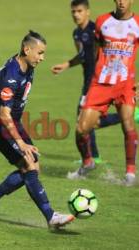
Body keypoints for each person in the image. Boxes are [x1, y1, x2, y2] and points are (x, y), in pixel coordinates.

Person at [0, 30, 75, 229]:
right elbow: (4, 115)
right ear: (26, 49)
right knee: (29, 166)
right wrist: (21, 142)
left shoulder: (26, 65)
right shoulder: (11, 76)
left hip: (14, 123)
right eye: (39, 53)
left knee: (33, 167)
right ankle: (51, 216)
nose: (42, 58)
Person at [68, 0, 138, 186]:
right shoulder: (102, 21)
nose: (122, 1)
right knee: (81, 128)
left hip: (125, 84)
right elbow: (95, 51)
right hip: (101, 83)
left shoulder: (137, 23)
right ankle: (88, 162)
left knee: (128, 124)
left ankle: (130, 174)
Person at [51, 0, 121, 164]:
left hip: (97, 81)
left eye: (79, 11)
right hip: (87, 80)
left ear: (88, 12)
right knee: (84, 120)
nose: (76, 14)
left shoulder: (95, 31)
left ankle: (129, 115)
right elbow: (83, 56)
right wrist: (67, 65)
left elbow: (109, 52)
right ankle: (94, 157)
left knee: (83, 121)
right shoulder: (76, 33)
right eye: (73, 12)